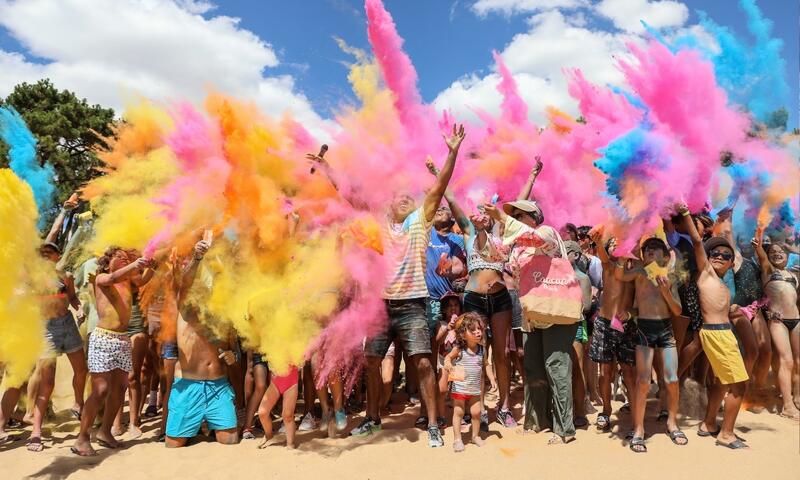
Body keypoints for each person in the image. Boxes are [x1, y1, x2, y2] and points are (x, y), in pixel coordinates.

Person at [351, 124, 465, 448]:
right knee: (372, 362)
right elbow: (352, 199)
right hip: (381, 305)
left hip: (414, 303)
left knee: (424, 362)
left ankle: (432, 422)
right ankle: (372, 418)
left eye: (409, 196)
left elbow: (440, 185)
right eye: (398, 196)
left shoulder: (420, 219)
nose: (405, 198)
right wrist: (329, 170)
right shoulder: (379, 225)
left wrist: (452, 151)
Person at [478, 199, 575, 444]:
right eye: (515, 216)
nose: (516, 219)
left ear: (533, 217)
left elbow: (536, 239)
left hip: (556, 312)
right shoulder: (517, 248)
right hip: (533, 313)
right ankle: (536, 420)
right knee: (533, 368)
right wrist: (482, 230)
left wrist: (501, 218)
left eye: (520, 215)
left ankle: (564, 429)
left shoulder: (546, 232)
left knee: (556, 367)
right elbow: (491, 254)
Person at [677, 203, 749, 449]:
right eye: (714, 253)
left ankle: (709, 424)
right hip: (717, 335)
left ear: (731, 263)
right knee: (739, 385)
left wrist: (730, 310)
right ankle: (726, 434)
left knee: (720, 382)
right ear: (707, 259)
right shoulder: (706, 273)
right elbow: (698, 242)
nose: (719, 256)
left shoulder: (721, 283)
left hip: (723, 333)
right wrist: (685, 213)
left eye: (725, 255)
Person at [72, 247, 152, 456]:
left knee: (120, 389)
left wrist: (153, 265)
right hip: (103, 338)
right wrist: (136, 264)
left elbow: (143, 280)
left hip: (122, 340)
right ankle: (81, 438)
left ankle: (105, 432)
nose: (125, 260)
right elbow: (115, 276)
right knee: (100, 390)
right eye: (120, 258)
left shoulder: (129, 281)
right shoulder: (102, 277)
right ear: (107, 262)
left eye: (127, 258)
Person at [164, 239, 239, 448]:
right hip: (188, 385)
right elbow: (185, 283)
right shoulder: (188, 305)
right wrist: (197, 258)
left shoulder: (223, 311)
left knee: (231, 440)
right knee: (174, 445)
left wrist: (234, 357)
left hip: (218, 385)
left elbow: (233, 349)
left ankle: (205, 424)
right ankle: (195, 425)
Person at [615, 237, 685, 452]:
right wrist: (625, 255)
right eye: (648, 251)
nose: (651, 254)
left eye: (656, 250)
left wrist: (665, 291)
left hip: (665, 329)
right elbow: (619, 275)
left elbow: (677, 311)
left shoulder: (670, 277)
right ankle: (639, 430)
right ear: (643, 256)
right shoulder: (639, 272)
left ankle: (672, 423)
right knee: (643, 381)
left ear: (665, 256)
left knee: (672, 379)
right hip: (644, 328)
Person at [28, 240, 87, 453]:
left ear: (56, 255)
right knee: (48, 382)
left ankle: (78, 403)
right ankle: (36, 431)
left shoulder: (65, 276)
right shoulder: (34, 277)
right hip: (46, 328)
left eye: (50, 252)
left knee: (82, 370)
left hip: (67, 324)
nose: (46, 255)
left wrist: (79, 309)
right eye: (42, 252)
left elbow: (72, 297)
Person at [587, 229, 636, 433]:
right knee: (605, 372)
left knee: (628, 373)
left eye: (620, 241)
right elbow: (601, 251)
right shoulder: (607, 266)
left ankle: (636, 414)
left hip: (627, 326)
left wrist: (631, 314)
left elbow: (640, 301)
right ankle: (606, 411)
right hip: (605, 324)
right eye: (613, 243)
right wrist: (599, 241)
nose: (616, 244)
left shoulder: (636, 270)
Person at [753, 234, 800, 420]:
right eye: (773, 252)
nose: (777, 254)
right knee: (786, 361)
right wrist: (758, 247)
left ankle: (797, 397)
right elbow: (762, 257)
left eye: (781, 252)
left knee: (798, 361)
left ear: (788, 256)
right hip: (777, 321)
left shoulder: (793, 275)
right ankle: (787, 406)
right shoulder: (768, 270)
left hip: (796, 320)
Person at [439, 312, 485, 452]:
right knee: (458, 412)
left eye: (479, 329)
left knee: (476, 412)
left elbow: (486, 364)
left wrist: (492, 378)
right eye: (473, 330)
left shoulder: (482, 349)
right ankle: (457, 439)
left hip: (475, 387)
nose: (478, 332)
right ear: (463, 335)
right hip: (460, 386)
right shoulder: (459, 349)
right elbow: (448, 357)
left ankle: (475, 436)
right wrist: (447, 364)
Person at [564, 241, 592, 428]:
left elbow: (587, 306)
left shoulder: (582, 278)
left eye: (566, 252)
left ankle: (580, 412)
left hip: (576, 325)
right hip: (558, 325)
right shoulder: (556, 276)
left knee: (577, 368)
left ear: (575, 255)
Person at [257, 365, 300, 449]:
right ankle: (268, 435)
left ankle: (290, 444)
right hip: (275, 382)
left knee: (287, 415)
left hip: (292, 383)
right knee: (262, 412)